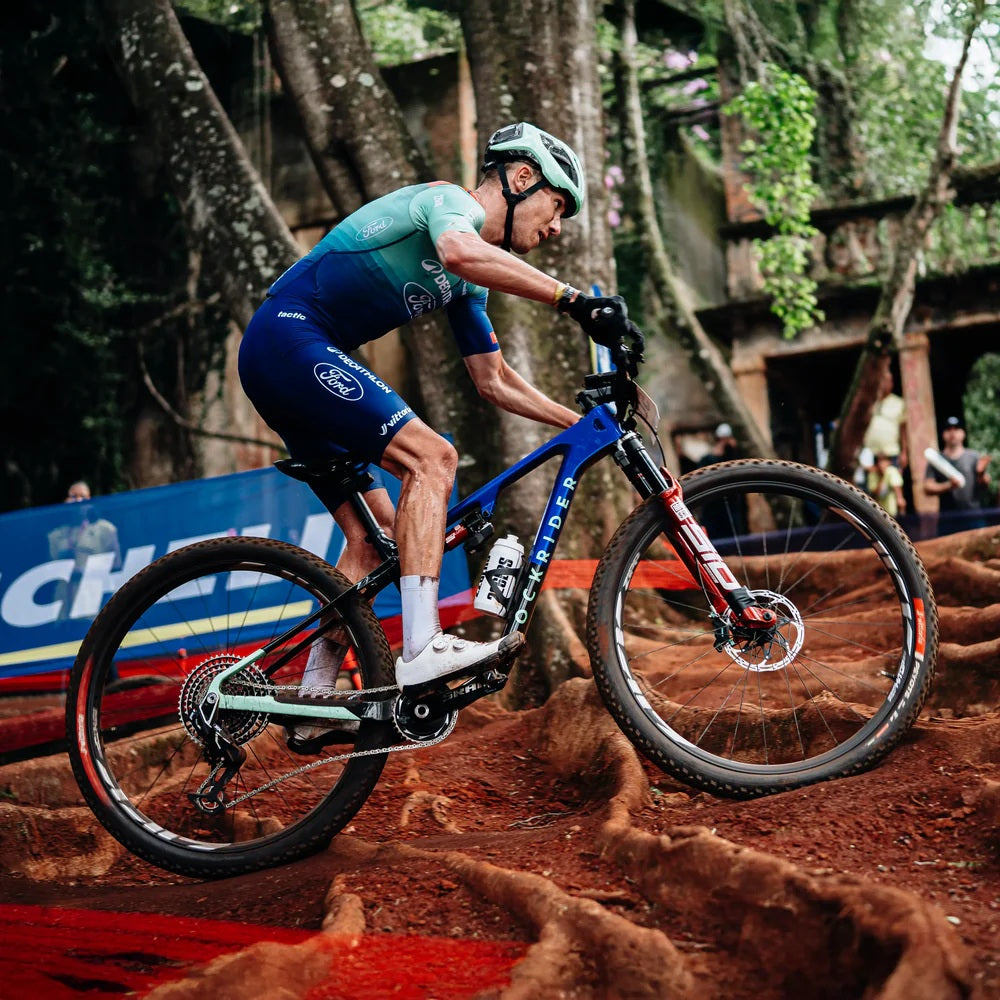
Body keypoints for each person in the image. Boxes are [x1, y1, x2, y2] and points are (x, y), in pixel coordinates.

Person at [239, 121, 616, 722]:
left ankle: (312, 698)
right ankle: (421, 648)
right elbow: (459, 251)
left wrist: (582, 423)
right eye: (557, 205)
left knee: (374, 541)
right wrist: (573, 300)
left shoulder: (469, 282)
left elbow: (493, 380)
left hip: (286, 357)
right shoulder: (447, 204)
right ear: (522, 178)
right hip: (288, 339)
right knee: (433, 457)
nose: (557, 226)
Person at [47, 480, 121, 620]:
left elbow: (116, 565)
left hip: (92, 597)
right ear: (66, 501)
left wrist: (87, 571)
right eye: (73, 496)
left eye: (83, 496)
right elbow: (50, 569)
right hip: (64, 602)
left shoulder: (105, 529)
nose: (78, 500)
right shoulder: (55, 535)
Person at [923, 416, 992, 512]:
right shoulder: (936, 459)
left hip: (974, 513)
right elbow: (927, 487)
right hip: (948, 515)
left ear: (963, 433)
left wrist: (981, 473)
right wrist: (948, 485)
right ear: (943, 434)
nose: (952, 433)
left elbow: (986, 485)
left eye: (956, 429)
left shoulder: (974, 456)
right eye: (949, 429)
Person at [867, 452, 906, 518]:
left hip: (893, 512)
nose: (881, 464)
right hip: (879, 512)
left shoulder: (891, 471)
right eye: (879, 462)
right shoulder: (873, 475)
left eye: (884, 461)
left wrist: (899, 499)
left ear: (889, 462)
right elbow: (875, 493)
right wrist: (882, 478)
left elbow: (897, 487)